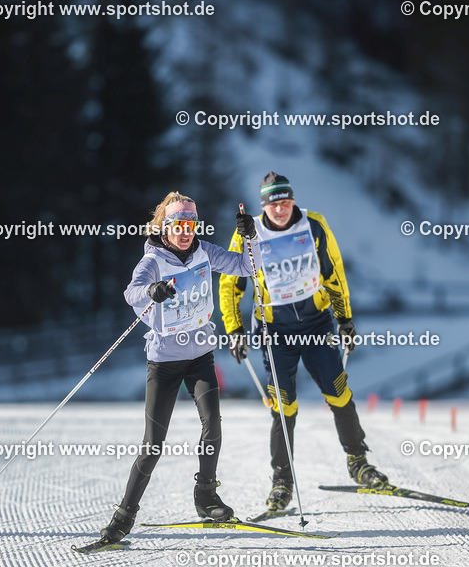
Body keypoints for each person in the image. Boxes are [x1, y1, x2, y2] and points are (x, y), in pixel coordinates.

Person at [219, 172, 389, 513]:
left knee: (339, 393)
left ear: (293, 201)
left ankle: (358, 462)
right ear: (263, 206)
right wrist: (234, 330)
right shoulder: (248, 232)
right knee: (283, 406)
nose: (280, 210)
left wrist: (345, 319)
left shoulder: (314, 224)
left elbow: (334, 271)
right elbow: (229, 284)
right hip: (274, 330)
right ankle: (282, 481)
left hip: (316, 324)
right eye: (273, 204)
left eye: (285, 202)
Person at [99, 192, 260, 543]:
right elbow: (131, 293)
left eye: (190, 224)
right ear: (165, 226)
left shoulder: (204, 251)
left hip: (200, 355)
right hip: (165, 360)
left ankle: (206, 496)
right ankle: (123, 517)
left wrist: (251, 237)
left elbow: (248, 267)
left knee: (213, 426)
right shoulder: (154, 259)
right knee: (153, 444)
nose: (185, 231)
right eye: (178, 225)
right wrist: (152, 290)